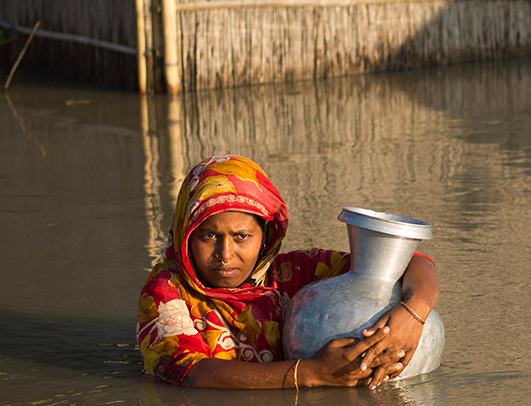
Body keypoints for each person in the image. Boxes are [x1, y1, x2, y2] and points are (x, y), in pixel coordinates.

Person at [137, 155, 439, 389]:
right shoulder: (167, 289)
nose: (225, 254)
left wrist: (413, 314)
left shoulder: (290, 273)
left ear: (266, 236)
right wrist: (310, 373)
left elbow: (408, 262)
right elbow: (191, 374)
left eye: (242, 237)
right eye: (209, 236)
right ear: (186, 234)